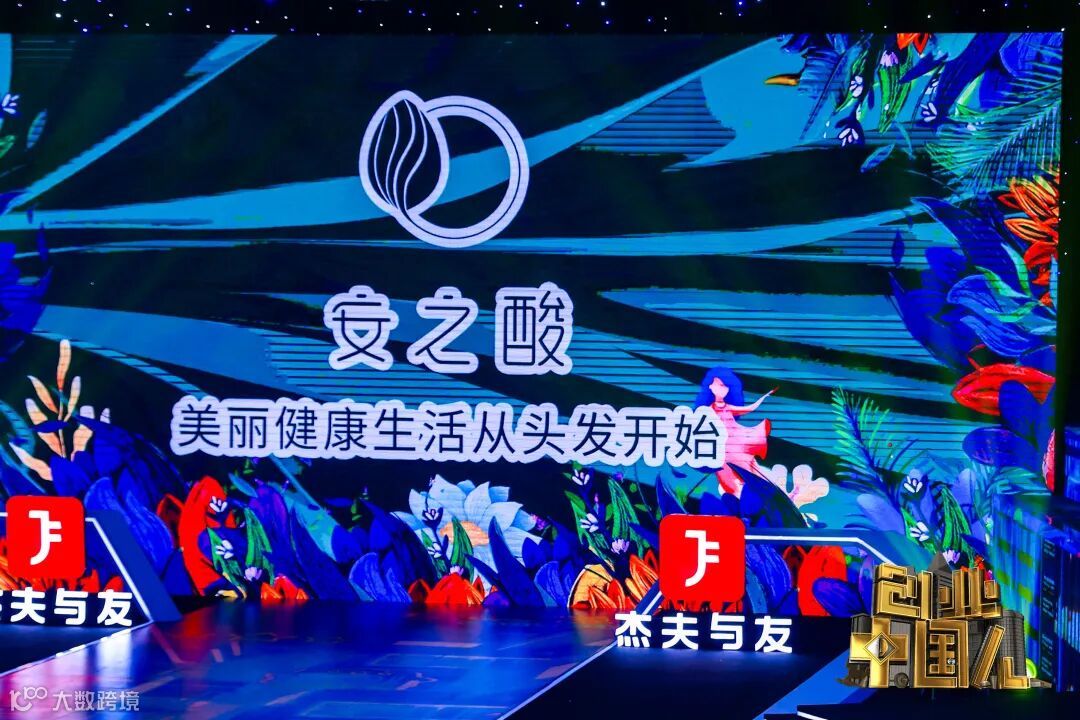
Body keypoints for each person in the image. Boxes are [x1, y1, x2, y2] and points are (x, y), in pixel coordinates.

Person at [693, 366, 775, 497]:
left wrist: (764, 397)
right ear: (710, 387)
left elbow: (750, 408)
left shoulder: (728, 407)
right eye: (719, 384)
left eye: (725, 386)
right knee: (733, 487)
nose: (722, 388)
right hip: (723, 452)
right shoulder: (708, 411)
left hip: (739, 445)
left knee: (755, 474)